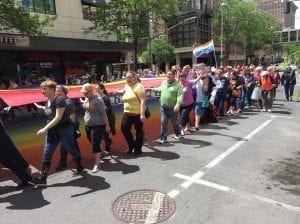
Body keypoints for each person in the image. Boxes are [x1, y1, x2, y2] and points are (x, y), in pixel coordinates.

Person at [34, 80, 85, 186]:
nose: (42, 91)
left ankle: (80, 165)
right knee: (47, 153)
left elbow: (58, 117)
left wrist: (44, 129)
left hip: (64, 131)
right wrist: (40, 109)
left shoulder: (60, 100)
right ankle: (43, 179)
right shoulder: (48, 100)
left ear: (52, 90)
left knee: (71, 149)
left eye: (45, 89)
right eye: (41, 89)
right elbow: (50, 114)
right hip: (52, 132)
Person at [0, 106, 33, 188]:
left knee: (7, 160)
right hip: (3, 135)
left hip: (2, 138)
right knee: (13, 153)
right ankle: (24, 165)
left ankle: (26, 178)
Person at [81, 83, 110, 172]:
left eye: (86, 93)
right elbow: (87, 106)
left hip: (97, 125)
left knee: (95, 143)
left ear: (91, 91)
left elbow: (104, 113)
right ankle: (103, 152)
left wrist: (107, 125)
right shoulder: (87, 98)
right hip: (88, 124)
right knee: (92, 140)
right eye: (83, 93)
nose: (84, 94)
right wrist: (85, 104)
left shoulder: (98, 100)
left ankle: (97, 163)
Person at [151, 70, 183, 144]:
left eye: (170, 75)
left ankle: (178, 134)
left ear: (174, 75)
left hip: (173, 108)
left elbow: (180, 96)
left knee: (175, 123)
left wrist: (177, 105)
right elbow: (159, 89)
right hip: (163, 108)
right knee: (163, 122)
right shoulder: (164, 83)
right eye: (167, 75)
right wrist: (152, 89)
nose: (168, 77)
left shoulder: (178, 86)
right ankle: (163, 138)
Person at [55, 85, 82, 171]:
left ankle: (63, 162)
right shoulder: (58, 101)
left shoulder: (68, 102)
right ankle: (78, 158)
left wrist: (74, 129)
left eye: (58, 90)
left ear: (64, 92)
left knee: (65, 144)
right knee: (71, 143)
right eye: (55, 90)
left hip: (70, 124)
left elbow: (72, 117)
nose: (56, 92)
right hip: (64, 125)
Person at [119, 72, 146, 155]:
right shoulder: (127, 85)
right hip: (127, 113)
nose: (128, 79)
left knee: (138, 131)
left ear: (134, 77)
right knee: (124, 129)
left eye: (130, 77)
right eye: (127, 77)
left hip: (137, 114)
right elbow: (124, 91)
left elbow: (143, 101)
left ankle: (138, 149)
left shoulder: (139, 86)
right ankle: (132, 146)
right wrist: (118, 92)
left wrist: (142, 114)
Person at [95, 83, 116, 153]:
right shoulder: (96, 97)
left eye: (98, 89)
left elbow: (108, 108)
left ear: (102, 89)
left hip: (108, 118)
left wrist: (101, 111)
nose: (96, 90)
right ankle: (109, 142)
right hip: (100, 119)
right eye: (96, 89)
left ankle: (107, 148)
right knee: (103, 135)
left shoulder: (105, 98)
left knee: (105, 134)